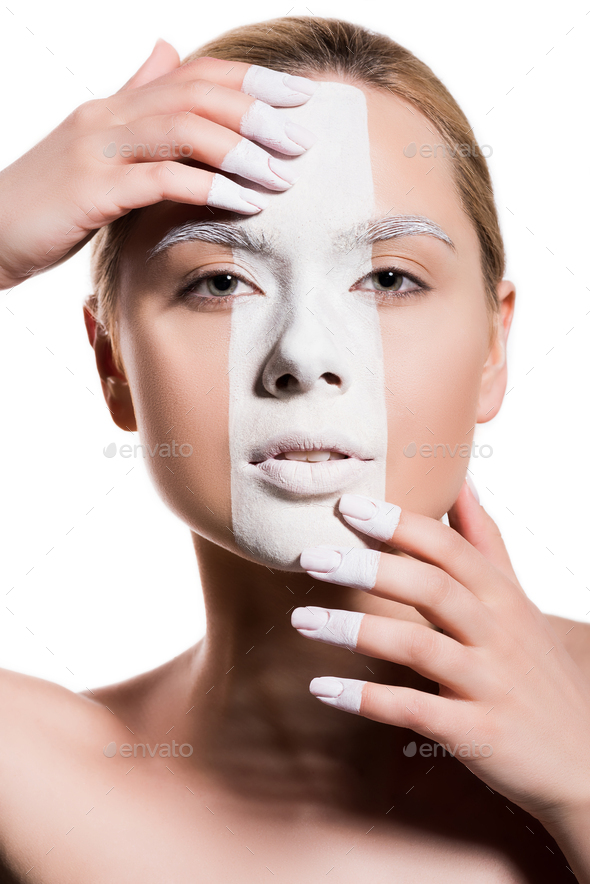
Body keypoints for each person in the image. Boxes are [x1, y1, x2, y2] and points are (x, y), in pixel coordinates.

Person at [1, 15, 590, 883]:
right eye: (220, 282)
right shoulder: (27, 784)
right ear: (113, 365)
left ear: (496, 348)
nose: (304, 354)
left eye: (389, 279)